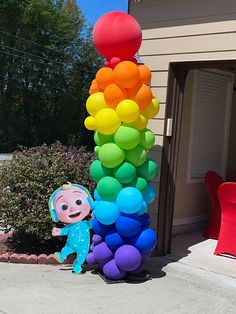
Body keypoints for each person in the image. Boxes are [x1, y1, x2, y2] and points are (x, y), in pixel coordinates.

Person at [48, 182, 94, 274]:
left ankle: (77, 268)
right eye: (64, 207)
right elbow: (65, 230)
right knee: (66, 249)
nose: (73, 209)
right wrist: (59, 231)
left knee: (81, 257)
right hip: (73, 245)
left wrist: (94, 218)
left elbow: (92, 224)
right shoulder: (71, 226)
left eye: (78, 202)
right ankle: (61, 256)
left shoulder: (85, 224)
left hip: (84, 247)